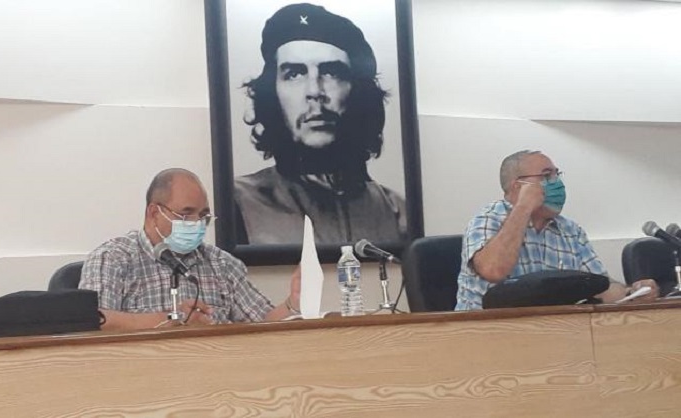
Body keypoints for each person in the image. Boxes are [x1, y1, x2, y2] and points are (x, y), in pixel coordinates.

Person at [234, 2, 406, 245]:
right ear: (271, 94)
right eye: (294, 74)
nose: (315, 91)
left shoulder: (395, 210)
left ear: (359, 94)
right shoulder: (239, 202)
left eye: (332, 73)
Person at [79, 168, 301, 331]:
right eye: (186, 214)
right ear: (154, 213)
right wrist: (171, 319)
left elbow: (264, 324)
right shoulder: (113, 258)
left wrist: (293, 302)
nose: (197, 223)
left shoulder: (222, 264)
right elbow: (92, 322)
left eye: (203, 216)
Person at [455, 150, 658, 310]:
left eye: (557, 174)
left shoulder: (570, 230)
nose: (557, 183)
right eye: (546, 176)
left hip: (554, 331)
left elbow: (600, 287)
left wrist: (633, 292)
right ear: (517, 187)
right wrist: (523, 207)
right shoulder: (488, 219)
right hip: (484, 334)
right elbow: (493, 270)